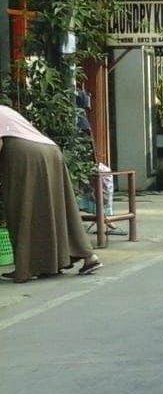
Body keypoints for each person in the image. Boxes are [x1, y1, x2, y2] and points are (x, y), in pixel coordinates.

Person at [0, 104, 103, 284]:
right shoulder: (4, 109)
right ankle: (86, 256)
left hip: (25, 154)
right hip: (50, 151)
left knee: (21, 207)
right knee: (59, 207)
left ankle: (25, 267)